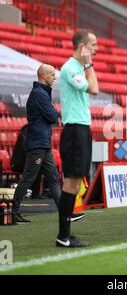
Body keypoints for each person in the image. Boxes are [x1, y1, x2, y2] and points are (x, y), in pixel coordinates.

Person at [57, 29, 99, 248]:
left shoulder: (78, 68)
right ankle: (63, 236)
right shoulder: (70, 68)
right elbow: (94, 88)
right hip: (74, 129)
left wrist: (87, 65)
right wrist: (89, 64)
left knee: (74, 181)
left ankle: (65, 234)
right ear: (83, 46)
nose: (95, 49)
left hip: (81, 128)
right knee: (71, 181)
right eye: (92, 45)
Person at [12, 65, 61, 223]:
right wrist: (55, 113)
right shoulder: (39, 94)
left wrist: (53, 113)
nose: (55, 77)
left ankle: (65, 212)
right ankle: (14, 212)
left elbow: (52, 115)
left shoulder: (41, 93)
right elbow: (53, 116)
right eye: (52, 75)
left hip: (43, 144)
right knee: (28, 178)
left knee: (53, 178)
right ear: (44, 75)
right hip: (38, 145)